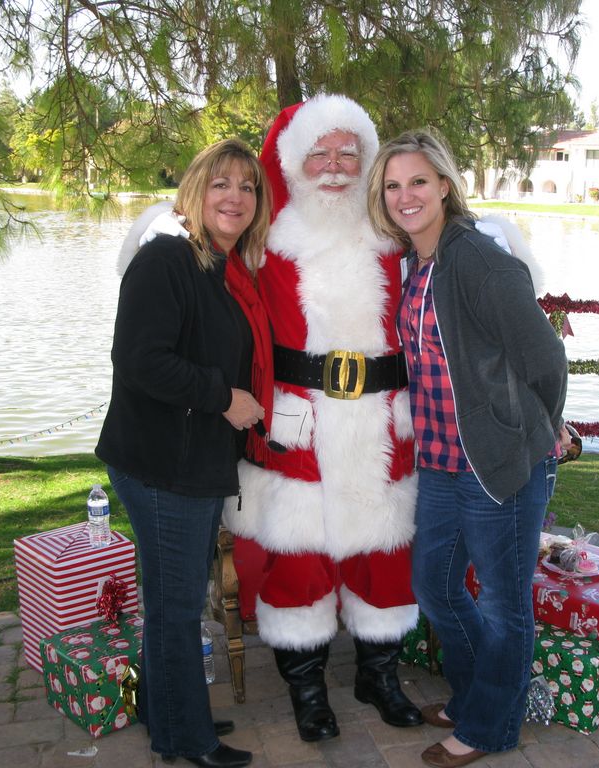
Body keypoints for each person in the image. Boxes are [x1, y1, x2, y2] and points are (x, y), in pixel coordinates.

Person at [221, 94, 424, 742]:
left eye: (348, 152)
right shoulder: (266, 237)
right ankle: (307, 690)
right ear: (293, 161)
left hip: (382, 420)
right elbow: (210, 275)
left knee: (385, 555)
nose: (335, 166)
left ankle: (378, 673)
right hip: (296, 418)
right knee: (299, 559)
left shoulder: (394, 235)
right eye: (320, 153)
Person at [367, 129, 570, 768]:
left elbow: (544, 357)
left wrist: (543, 426)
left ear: (446, 186)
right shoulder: (420, 262)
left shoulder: (478, 260)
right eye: (394, 185)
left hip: (497, 466)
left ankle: (488, 726)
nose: (406, 196)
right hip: (442, 462)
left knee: (505, 607)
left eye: (419, 182)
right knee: (435, 585)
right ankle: (477, 695)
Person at [96, 138, 272, 768]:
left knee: (170, 594)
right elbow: (141, 361)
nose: (235, 197)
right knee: (174, 607)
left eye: (247, 187)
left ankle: (161, 708)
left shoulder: (219, 267)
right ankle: (184, 737)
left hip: (191, 462)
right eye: (221, 183)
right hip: (164, 464)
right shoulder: (167, 259)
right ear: (195, 192)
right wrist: (225, 397)